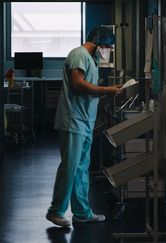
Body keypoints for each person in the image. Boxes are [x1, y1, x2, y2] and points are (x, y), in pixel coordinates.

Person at [46, 26, 122, 227]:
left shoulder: (91, 59)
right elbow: (77, 84)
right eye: (106, 46)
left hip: (84, 120)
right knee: (70, 167)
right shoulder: (79, 54)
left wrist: (106, 92)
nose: (107, 50)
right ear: (98, 43)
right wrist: (106, 90)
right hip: (73, 119)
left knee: (80, 168)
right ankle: (56, 211)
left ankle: (81, 212)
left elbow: (88, 88)